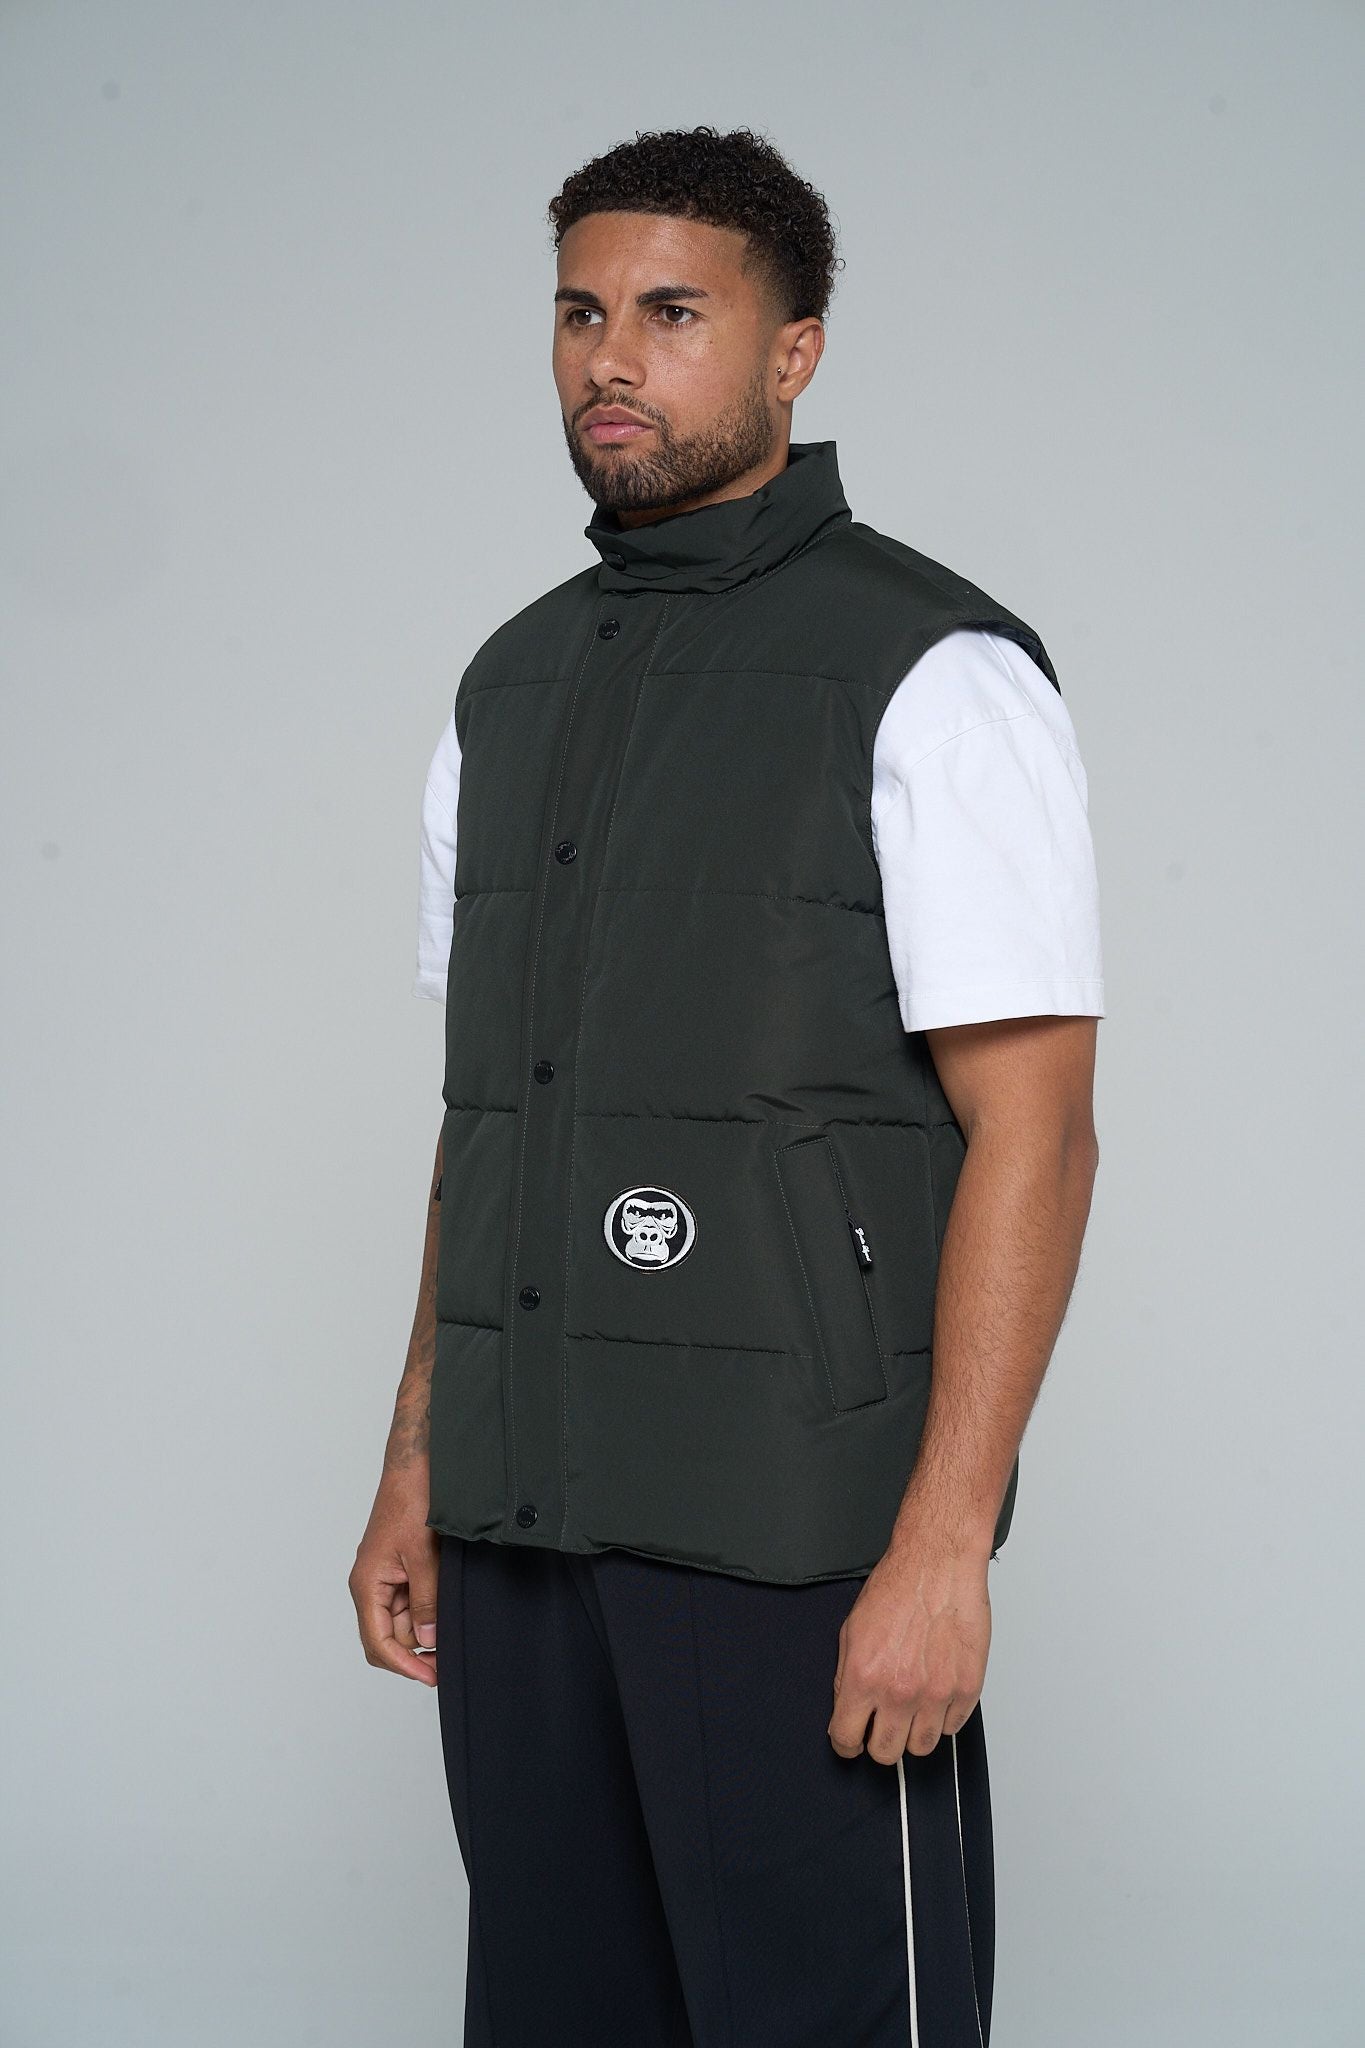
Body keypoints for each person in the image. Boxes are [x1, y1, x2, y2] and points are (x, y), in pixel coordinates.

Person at [350, 124, 1103, 2047]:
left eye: (673, 314)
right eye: (579, 314)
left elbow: (1035, 1132)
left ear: (793, 352)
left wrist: (941, 1550)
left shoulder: (927, 670)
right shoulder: (510, 686)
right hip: (528, 1525)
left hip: (795, 1533)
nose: (611, 358)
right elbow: (491, 1116)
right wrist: (420, 1461)